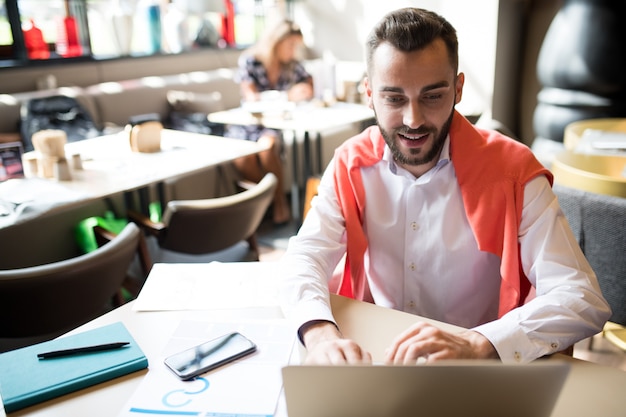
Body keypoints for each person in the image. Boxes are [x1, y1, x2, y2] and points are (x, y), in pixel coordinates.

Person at [279, 7, 611, 365]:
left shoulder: (514, 172)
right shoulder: (350, 163)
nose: (413, 120)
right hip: (377, 358)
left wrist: (479, 342)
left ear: (458, 88)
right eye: (394, 98)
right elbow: (304, 257)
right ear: (369, 94)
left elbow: (582, 297)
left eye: (432, 96)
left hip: (474, 368)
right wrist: (320, 335)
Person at [227, 19, 314, 225]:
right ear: (277, 41)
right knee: (243, 157)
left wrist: (304, 90)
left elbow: (309, 82)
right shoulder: (251, 61)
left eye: (296, 46)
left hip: (273, 124)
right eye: (291, 45)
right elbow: (251, 98)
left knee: (267, 147)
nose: (293, 51)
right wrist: (286, 96)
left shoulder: (291, 65)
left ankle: (278, 203)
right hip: (246, 123)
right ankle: (273, 201)